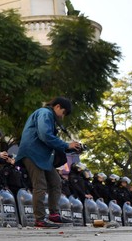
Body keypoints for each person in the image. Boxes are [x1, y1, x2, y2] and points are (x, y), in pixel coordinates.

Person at [14, 97, 82, 229]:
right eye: (63, 112)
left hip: (42, 156)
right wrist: (67, 145)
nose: (62, 117)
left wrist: (70, 149)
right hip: (32, 153)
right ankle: (39, 219)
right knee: (40, 185)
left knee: (56, 182)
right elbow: (45, 135)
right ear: (57, 106)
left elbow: (51, 140)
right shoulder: (45, 113)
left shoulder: (50, 117)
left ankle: (54, 215)